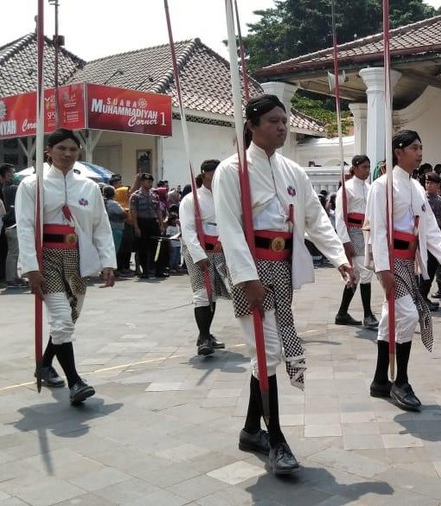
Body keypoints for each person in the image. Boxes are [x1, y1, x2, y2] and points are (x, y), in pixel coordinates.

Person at [215, 95, 351, 474]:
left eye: (284, 120)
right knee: (269, 351)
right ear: (253, 124)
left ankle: (249, 431)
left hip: (283, 268)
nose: (281, 126)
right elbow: (228, 227)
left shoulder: (293, 170)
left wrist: (339, 257)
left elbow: (315, 217)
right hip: (250, 272)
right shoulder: (232, 170)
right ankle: (276, 439)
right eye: (273, 120)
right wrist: (247, 278)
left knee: (267, 354)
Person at [17, 128, 116, 403]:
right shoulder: (32, 185)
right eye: (61, 148)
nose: (67, 154)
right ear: (48, 151)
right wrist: (30, 267)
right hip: (46, 257)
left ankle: (45, 363)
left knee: (68, 320)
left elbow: (101, 227)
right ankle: (75, 382)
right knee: (61, 319)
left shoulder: (88, 187)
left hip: (76, 258)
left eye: (73, 149)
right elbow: (25, 227)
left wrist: (108, 261)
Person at [366, 130, 441, 411]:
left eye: (421, 147)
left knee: (389, 318)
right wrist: (382, 269)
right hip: (391, 260)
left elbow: (428, 227)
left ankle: (381, 380)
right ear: (399, 151)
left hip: (409, 260)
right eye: (415, 148)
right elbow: (378, 229)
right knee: (407, 314)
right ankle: (400, 381)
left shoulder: (417, 188)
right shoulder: (382, 186)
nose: (420, 153)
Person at [181, 161, 230, 356]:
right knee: (202, 292)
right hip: (197, 250)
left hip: (219, 248)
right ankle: (203, 337)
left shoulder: (225, 197)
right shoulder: (191, 200)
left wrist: (223, 239)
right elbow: (187, 230)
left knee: (213, 292)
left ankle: (207, 334)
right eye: (212, 174)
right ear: (203, 176)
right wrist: (199, 255)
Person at [333, 154, 379, 329]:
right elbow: (340, 218)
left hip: (367, 232)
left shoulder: (369, 188)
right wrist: (345, 241)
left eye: (369, 167)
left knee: (358, 275)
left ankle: (342, 313)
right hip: (354, 232)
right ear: (355, 167)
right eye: (364, 167)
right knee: (365, 272)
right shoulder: (346, 189)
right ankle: (368, 315)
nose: (367, 170)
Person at [418, 172, 441, 309]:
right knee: (422, 270)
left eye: (431, 183)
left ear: (438, 185)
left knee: (431, 269)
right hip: (421, 239)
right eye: (427, 182)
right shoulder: (421, 198)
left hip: (434, 239)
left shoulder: (439, 201)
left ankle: (423, 296)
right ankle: (421, 298)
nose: (428, 185)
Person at [129, 173, 164, 279]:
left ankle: (158, 269)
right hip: (141, 222)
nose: (150, 184)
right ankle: (145, 271)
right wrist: (136, 227)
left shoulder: (154, 195)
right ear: (142, 182)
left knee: (157, 247)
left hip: (153, 222)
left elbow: (158, 210)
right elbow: (133, 212)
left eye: (151, 182)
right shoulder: (135, 196)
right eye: (148, 182)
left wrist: (161, 224)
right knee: (142, 248)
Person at [102, 185, 126, 260]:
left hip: (107, 228)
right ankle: (112, 269)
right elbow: (124, 214)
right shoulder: (113, 204)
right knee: (114, 249)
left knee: (107, 249)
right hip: (116, 228)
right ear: (114, 193)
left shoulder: (103, 203)